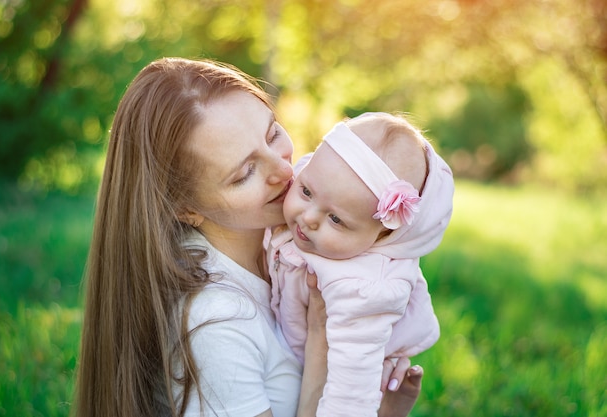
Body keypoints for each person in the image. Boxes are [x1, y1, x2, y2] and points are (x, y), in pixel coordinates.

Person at [72, 57, 423, 417]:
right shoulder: (217, 322)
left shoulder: (291, 246)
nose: (285, 169)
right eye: (245, 173)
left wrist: (382, 402)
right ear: (184, 207)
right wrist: (321, 342)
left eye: (273, 134)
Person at [266, 112, 454, 417]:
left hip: (346, 363)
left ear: (381, 234)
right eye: (306, 192)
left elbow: (350, 393)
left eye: (336, 219)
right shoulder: (322, 186)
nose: (308, 218)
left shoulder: (364, 287)